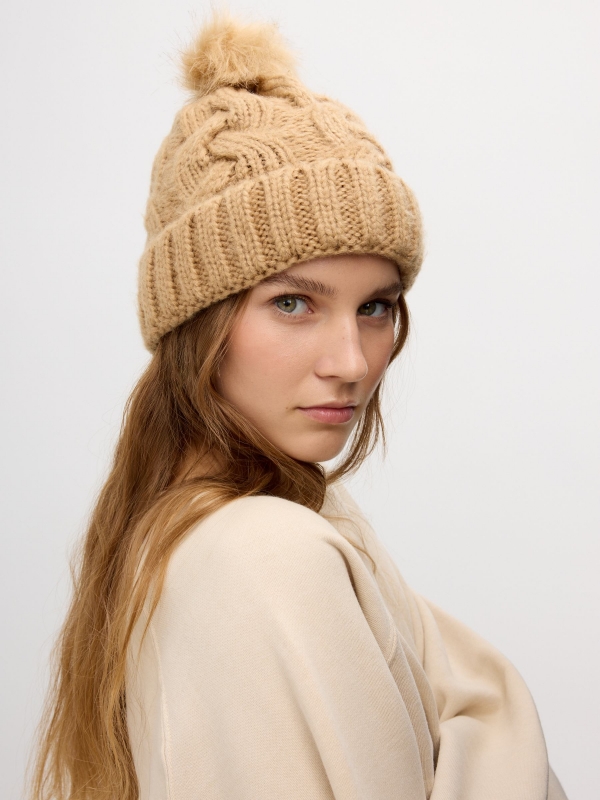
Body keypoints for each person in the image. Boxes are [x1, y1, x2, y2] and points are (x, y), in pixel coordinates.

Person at [29, 12, 568, 800]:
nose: (351, 363)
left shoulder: (195, 532)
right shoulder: (267, 554)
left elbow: (466, 690)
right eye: (293, 303)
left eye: (376, 307)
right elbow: (485, 705)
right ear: (197, 319)